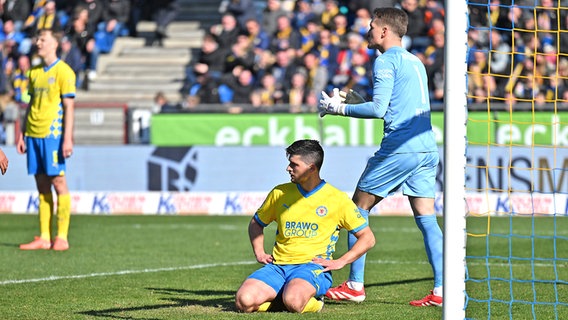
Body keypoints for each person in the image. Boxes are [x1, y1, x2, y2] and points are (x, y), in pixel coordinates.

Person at [319, 7, 443, 306]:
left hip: (399, 147)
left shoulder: (385, 60)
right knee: (427, 220)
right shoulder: (415, 61)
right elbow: (392, 105)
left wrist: (339, 109)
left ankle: (354, 285)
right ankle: (442, 290)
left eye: (372, 26)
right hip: (426, 148)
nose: (368, 31)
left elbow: (378, 110)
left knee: (356, 210)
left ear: (385, 31)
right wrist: (361, 101)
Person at [235, 139, 375, 313]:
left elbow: (367, 238)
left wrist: (341, 261)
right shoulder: (280, 193)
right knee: (244, 301)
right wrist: (259, 252)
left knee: (293, 302)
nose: (288, 168)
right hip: (278, 267)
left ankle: (313, 301)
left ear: (312, 168)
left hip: (311, 268)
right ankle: (285, 297)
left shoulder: (337, 199)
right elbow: (257, 223)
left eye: (294, 165)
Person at [16, 28, 76, 251]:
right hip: (33, 134)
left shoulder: (64, 72)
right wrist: (23, 133)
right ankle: (43, 236)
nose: (38, 42)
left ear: (55, 44)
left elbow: (69, 107)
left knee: (58, 182)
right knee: (41, 185)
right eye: (37, 39)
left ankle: (62, 236)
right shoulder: (33, 72)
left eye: (43, 39)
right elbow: (30, 105)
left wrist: (67, 138)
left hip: (53, 135)